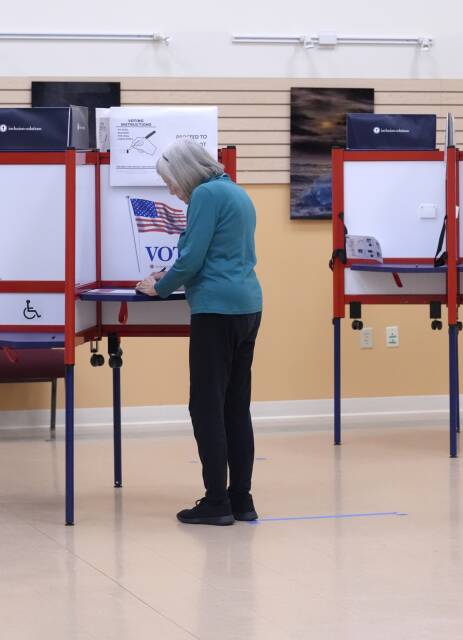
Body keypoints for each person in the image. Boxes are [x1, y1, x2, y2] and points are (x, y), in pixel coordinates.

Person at [137, 139, 263, 526]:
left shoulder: (205, 195)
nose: (171, 190)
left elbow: (191, 259)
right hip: (247, 306)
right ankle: (241, 499)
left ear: (186, 172)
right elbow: (214, 253)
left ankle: (215, 501)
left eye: (171, 181)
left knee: (206, 407)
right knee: (235, 407)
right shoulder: (234, 191)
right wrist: (170, 274)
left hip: (216, 310)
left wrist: (157, 286)